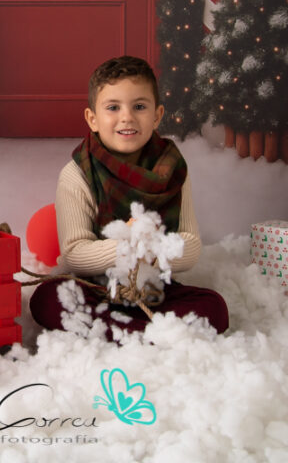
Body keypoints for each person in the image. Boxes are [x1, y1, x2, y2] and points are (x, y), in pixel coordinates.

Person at [29, 56, 229, 340]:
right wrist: (128, 247)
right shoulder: (77, 174)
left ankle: (125, 331)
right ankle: (149, 334)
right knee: (48, 299)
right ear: (93, 119)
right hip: (95, 287)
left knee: (214, 307)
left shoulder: (172, 169)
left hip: (152, 288)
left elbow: (191, 246)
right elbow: (75, 254)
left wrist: (151, 249)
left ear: (157, 115)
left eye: (139, 106)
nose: (127, 117)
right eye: (113, 107)